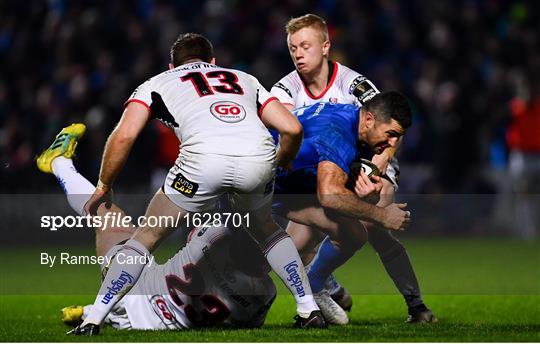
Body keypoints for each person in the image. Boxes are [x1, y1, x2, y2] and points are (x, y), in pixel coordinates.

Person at [51, 33, 325, 335]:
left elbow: (125, 136)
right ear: (214, 62)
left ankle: (94, 318)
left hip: (201, 161)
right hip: (256, 155)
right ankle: (307, 307)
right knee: (268, 230)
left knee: (146, 237)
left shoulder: (157, 83)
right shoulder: (244, 78)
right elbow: (292, 127)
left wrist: (105, 184)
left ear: (171, 66)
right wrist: (282, 160)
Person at [271, 14, 436, 324]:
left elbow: (390, 126)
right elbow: (290, 140)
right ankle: (325, 287)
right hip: (319, 170)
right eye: (293, 47)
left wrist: (374, 172)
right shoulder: (284, 89)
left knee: (374, 227)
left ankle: (416, 305)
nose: (298, 53)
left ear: (325, 46)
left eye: (305, 45)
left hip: (368, 161)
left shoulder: (354, 84)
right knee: (297, 243)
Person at [37, 126, 277, 331]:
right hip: (150, 316)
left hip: (133, 292)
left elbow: (207, 226)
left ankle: (58, 162)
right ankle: (92, 311)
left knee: (107, 214)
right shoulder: (267, 292)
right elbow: (248, 324)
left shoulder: (215, 235)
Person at [271, 92, 411, 325]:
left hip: (290, 190)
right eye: (391, 134)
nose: (392, 144)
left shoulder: (356, 126)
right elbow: (329, 196)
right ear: (369, 120)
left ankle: (314, 288)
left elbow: (336, 190)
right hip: (260, 188)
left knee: (353, 234)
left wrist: (368, 198)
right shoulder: (338, 132)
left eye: (399, 137)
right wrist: (382, 215)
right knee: (249, 288)